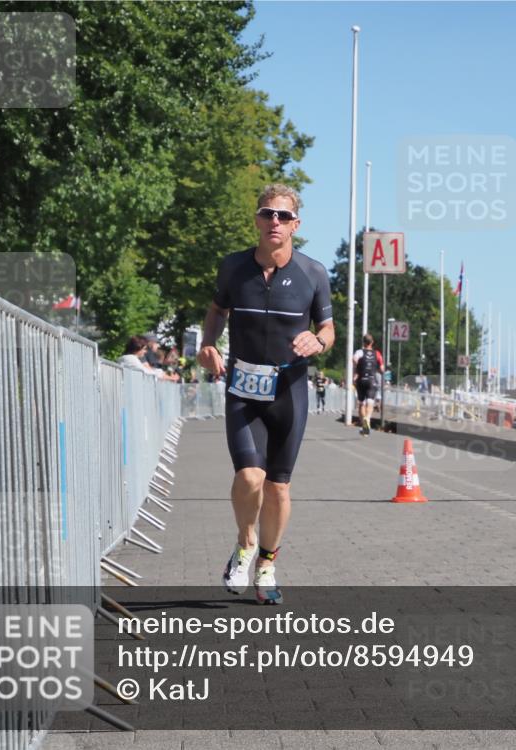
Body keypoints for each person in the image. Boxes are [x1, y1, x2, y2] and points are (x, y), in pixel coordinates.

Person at [197, 184, 334, 605]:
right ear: (257, 220)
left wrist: (320, 341)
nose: (275, 221)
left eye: (283, 215)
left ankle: (268, 563)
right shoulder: (233, 268)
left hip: (289, 391)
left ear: (297, 224)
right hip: (243, 386)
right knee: (249, 476)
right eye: (267, 213)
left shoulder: (314, 273)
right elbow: (218, 309)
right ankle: (245, 542)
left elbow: (327, 328)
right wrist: (207, 345)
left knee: (277, 487)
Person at [352, 333, 385, 436]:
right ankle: (368, 418)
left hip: (361, 379)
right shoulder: (377, 354)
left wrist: (357, 369)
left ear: (363, 342)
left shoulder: (360, 352)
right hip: (372, 380)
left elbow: (354, 359)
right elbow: (382, 369)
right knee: (370, 402)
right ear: (372, 342)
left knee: (361, 403)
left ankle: (364, 426)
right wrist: (379, 370)